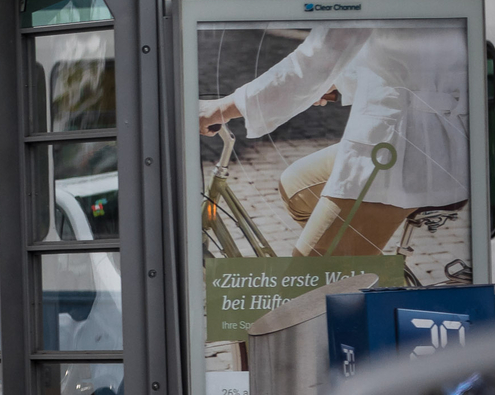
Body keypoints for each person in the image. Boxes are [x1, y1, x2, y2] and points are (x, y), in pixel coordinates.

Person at [198, 23, 468, 257]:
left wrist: (222, 108)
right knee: (295, 188)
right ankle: (356, 267)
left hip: (402, 148)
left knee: (309, 286)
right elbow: (398, 53)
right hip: (410, 135)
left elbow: (314, 60)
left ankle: (345, 284)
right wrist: (334, 81)